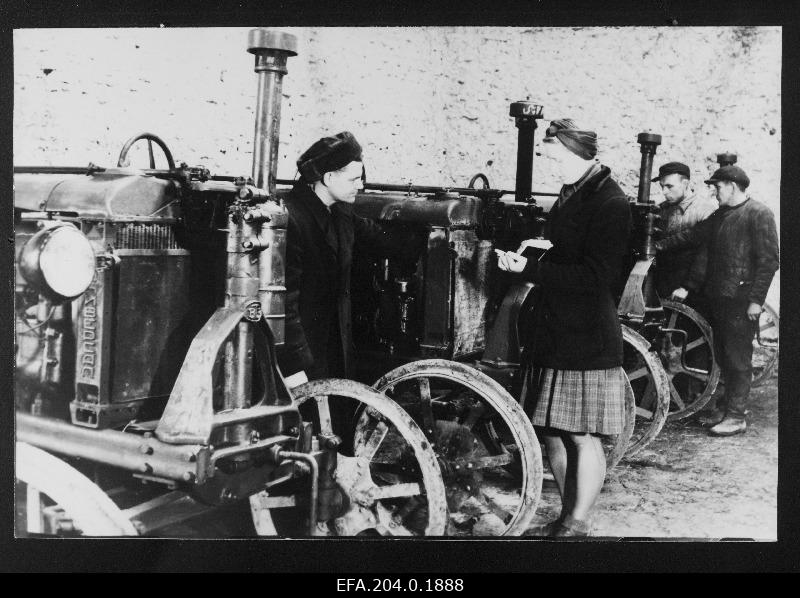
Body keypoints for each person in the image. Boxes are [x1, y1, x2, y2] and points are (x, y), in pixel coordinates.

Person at [497, 118, 632, 537]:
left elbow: (600, 279)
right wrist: (539, 251)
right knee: (552, 430)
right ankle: (566, 513)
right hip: (556, 330)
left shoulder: (610, 202)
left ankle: (576, 522)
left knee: (581, 435)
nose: (548, 163)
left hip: (585, 334)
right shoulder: (573, 194)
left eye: (552, 155)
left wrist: (533, 269)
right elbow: (571, 251)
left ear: (575, 153)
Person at [278, 131, 415, 386]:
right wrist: (292, 367)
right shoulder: (291, 218)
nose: (360, 186)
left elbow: (385, 241)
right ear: (328, 178)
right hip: (301, 361)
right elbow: (283, 303)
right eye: (354, 179)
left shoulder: (341, 213)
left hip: (334, 352)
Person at [658, 165, 779, 436]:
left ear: (732, 186)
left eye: (718, 187)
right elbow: (695, 237)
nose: (714, 192)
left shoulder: (758, 213)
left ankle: (736, 416)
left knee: (738, 358)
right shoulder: (722, 215)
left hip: (740, 299)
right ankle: (725, 408)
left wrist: (756, 301)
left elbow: (769, 261)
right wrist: (658, 246)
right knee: (723, 355)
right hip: (719, 298)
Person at [651, 161, 717, 300]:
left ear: (685, 184)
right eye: (662, 186)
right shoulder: (661, 210)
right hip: (662, 284)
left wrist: (687, 287)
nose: (664, 192)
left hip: (689, 289)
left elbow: (705, 255)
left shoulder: (705, 211)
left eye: (669, 186)